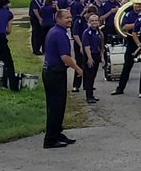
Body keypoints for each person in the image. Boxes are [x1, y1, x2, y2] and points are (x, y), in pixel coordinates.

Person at [42, 9, 84, 149]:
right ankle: (50, 139)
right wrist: (77, 68)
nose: (70, 20)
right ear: (58, 19)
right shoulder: (59, 34)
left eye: (70, 17)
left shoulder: (56, 31)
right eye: (67, 18)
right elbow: (65, 57)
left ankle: (57, 133)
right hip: (54, 73)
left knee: (58, 106)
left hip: (52, 72)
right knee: (56, 106)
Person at [81, 14, 103, 104]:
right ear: (89, 22)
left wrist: (102, 57)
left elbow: (101, 46)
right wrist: (89, 58)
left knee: (93, 76)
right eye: (92, 21)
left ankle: (92, 95)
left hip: (97, 54)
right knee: (89, 76)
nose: (94, 22)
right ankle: (89, 96)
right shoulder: (86, 32)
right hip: (89, 55)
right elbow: (86, 45)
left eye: (96, 21)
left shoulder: (99, 32)